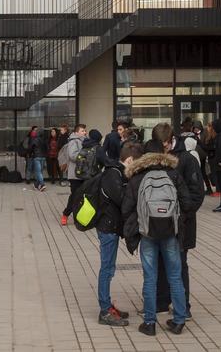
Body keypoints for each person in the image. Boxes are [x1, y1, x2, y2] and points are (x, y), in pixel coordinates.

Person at [121, 137, 194, 335]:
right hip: (171, 233)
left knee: (150, 278)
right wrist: (177, 220)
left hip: (147, 234)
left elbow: (126, 208)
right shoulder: (173, 174)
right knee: (175, 277)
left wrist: (137, 222)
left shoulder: (137, 177)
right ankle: (179, 320)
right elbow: (188, 203)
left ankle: (150, 323)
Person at [151, 124, 205, 324]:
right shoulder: (155, 155)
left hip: (182, 222)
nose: (163, 148)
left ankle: (184, 306)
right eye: (160, 145)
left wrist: (183, 215)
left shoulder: (187, 159)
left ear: (171, 139)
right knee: (160, 262)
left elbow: (197, 192)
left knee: (180, 264)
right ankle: (161, 302)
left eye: (165, 144)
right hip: (158, 221)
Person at [90, 133, 130, 328]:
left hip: (109, 226)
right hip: (108, 227)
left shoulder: (112, 169)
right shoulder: (113, 172)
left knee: (109, 267)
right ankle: (105, 310)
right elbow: (121, 199)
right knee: (107, 268)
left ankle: (107, 306)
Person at [59, 123, 89, 224]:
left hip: (83, 174)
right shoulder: (74, 142)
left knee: (82, 196)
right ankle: (66, 214)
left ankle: (78, 217)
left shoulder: (85, 141)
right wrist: (85, 156)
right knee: (75, 196)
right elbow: (72, 155)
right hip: (75, 174)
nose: (84, 132)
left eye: (85, 131)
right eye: (82, 131)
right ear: (76, 133)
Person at [23, 125, 47, 191]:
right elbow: (46, 148)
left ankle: (42, 184)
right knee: (40, 172)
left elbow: (30, 148)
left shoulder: (35, 139)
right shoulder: (44, 140)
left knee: (38, 172)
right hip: (43, 157)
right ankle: (36, 184)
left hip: (37, 157)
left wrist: (29, 153)